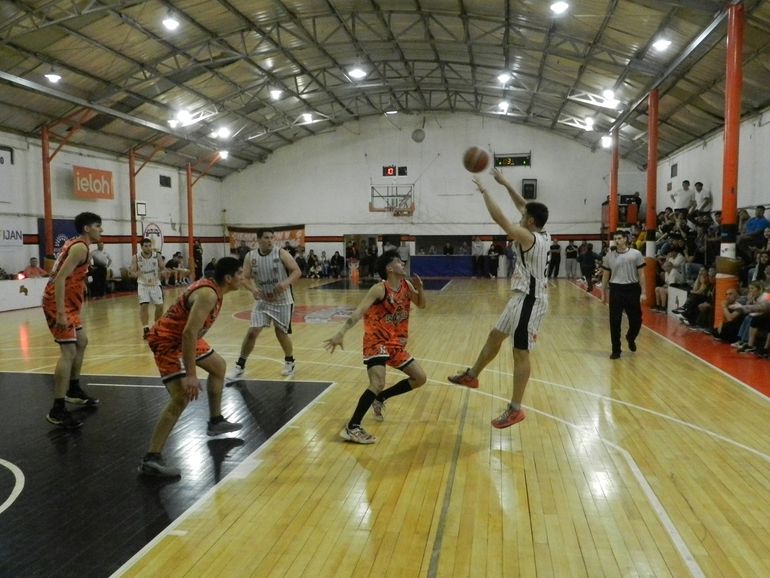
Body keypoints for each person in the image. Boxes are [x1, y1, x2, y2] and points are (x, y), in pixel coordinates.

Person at [448, 169, 550, 429]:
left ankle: (516, 409)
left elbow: (502, 220)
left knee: (520, 352)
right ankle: (472, 375)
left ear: (530, 222)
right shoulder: (541, 231)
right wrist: (505, 183)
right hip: (520, 297)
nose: (521, 215)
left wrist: (486, 192)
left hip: (531, 299)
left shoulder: (528, 237)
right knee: (495, 335)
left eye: (524, 217)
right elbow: (523, 205)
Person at [140, 257, 245, 477]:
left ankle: (215, 421)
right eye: (240, 274)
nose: (243, 278)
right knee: (181, 398)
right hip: (168, 341)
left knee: (218, 366)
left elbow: (190, 334)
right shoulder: (208, 294)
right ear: (228, 278)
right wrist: (190, 375)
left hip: (185, 338)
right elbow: (188, 333)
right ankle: (151, 459)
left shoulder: (216, 289)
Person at [324, 250, 426, 444]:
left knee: (420, 378)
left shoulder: (407, 285)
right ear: (389, 268)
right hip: (376, 341)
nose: (402, 263)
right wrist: (341, 333)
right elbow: (358, 311)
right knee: (377, 382)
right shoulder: (379, 289)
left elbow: (421, 305)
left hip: (396, 343)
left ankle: (381, 398)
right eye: (398, 261)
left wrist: (420, 289)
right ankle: (352, 427)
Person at [42, 212, 103, 428]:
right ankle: (57, 409)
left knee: (82, 341)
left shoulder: (78, 244)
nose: (101, 230)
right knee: (68, 351)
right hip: (57, 304)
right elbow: (59, 279)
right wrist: (60, 312)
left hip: (69, 305)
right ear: (87, 228)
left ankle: (73, 389)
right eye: (97, 226)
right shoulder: (80, 248)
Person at [225, 228, 302, 383]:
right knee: (252, 332)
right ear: (258, 239)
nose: (270, 240)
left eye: (271, 237)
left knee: (281, 333)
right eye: (266, 237)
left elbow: (296, 271)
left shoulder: (281, 253)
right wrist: (253, 289)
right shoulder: (250, 256)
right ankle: (240, 366)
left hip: (282, 301)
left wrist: (286, 283)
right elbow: (245, 278)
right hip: (263, 301)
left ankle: (290, 361)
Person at [601, 231, 646, 359]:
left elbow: (642, 274)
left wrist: (644, 292)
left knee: (636, 320)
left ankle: (630, 337)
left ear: (625, 239)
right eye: (615, 239)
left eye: (619, 238)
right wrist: (603, 293)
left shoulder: (636, 254)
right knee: (614, 321)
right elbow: (605, 275)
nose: (617, 241)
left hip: (632, 289)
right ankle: (616, 349)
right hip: (616, 290)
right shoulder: (609, 256)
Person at [129, 238, 165, 339]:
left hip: (155, 284)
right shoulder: (136, 257)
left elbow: (162, 267)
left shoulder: (157, 255)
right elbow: (132, 272)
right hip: (143, 285)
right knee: (144, 305)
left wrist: (164, 272)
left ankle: (156, 326)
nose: (148, 248)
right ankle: (145, 328)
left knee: (160, 306)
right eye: (146, 246)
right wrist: (135, 274)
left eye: (150, 246)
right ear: (141, 247)